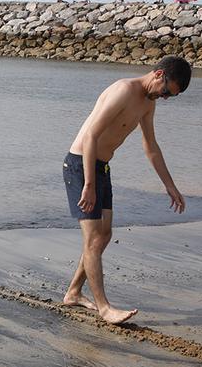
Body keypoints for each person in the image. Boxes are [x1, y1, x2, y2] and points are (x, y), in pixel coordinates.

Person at [61, 56, 191, 325]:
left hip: (102, 167)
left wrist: (170, 186)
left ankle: (73, 292)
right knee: (94, 240)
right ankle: (104, 308)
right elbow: (90, 137)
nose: (165, 98)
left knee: (104, 235)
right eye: (166, 91)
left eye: (171, 97)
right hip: (80, 165)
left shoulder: (148, 103)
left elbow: (151, 147)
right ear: (158, 75)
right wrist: (88, 184)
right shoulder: (123, 90)